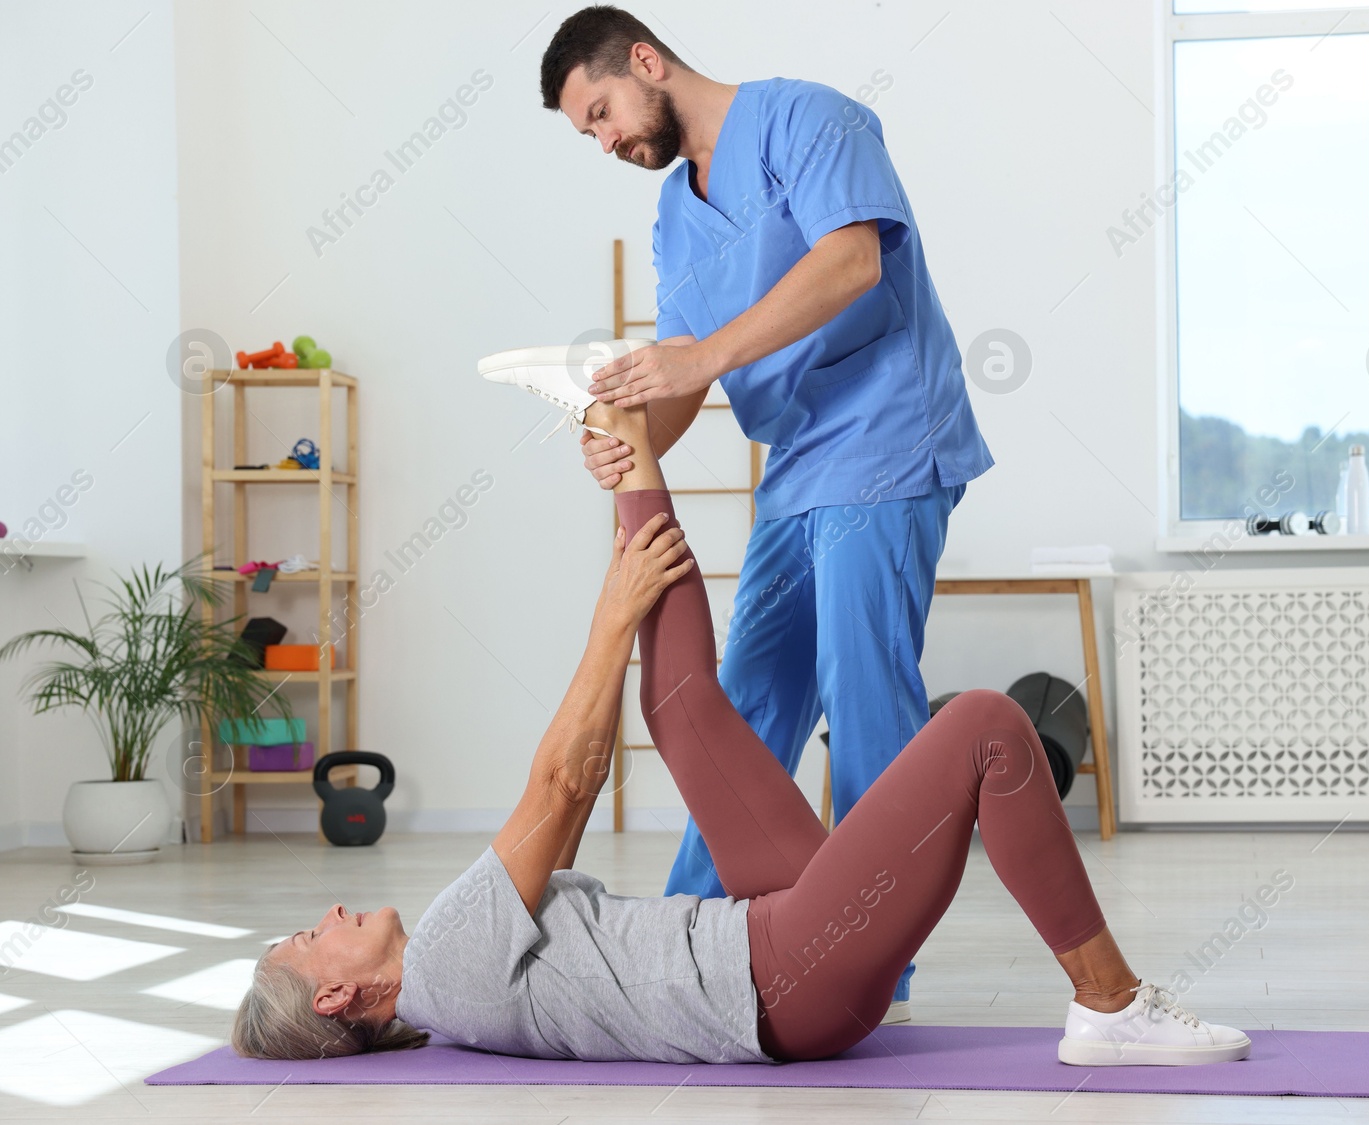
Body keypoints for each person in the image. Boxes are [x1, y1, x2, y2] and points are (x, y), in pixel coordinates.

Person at [233, 400, 1249, 1069]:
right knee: (986, 726)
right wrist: (612, 612)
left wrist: (633, 469)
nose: (323, 911)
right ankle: (1110, 1006)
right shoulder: (446, 960)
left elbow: (595, 756)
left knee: (679, 710)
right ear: (337, 995)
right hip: (782, 976)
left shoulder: (455, 990)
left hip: (770, 943)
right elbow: (564, 787)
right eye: (306, 936)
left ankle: (633, 451)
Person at [541, 4, 997, 1021]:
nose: (605, 139)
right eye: (590, 133)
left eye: (603, 110)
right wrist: (630, 438)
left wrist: (697, 358)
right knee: (740, 699)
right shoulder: (673, 211)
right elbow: (681, 374)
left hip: (886, 432)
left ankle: (880, 957)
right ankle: (690, 934)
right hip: (797, 463)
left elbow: (852, 260)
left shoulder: (808, 122)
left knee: (861, 687)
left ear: (647, 62)